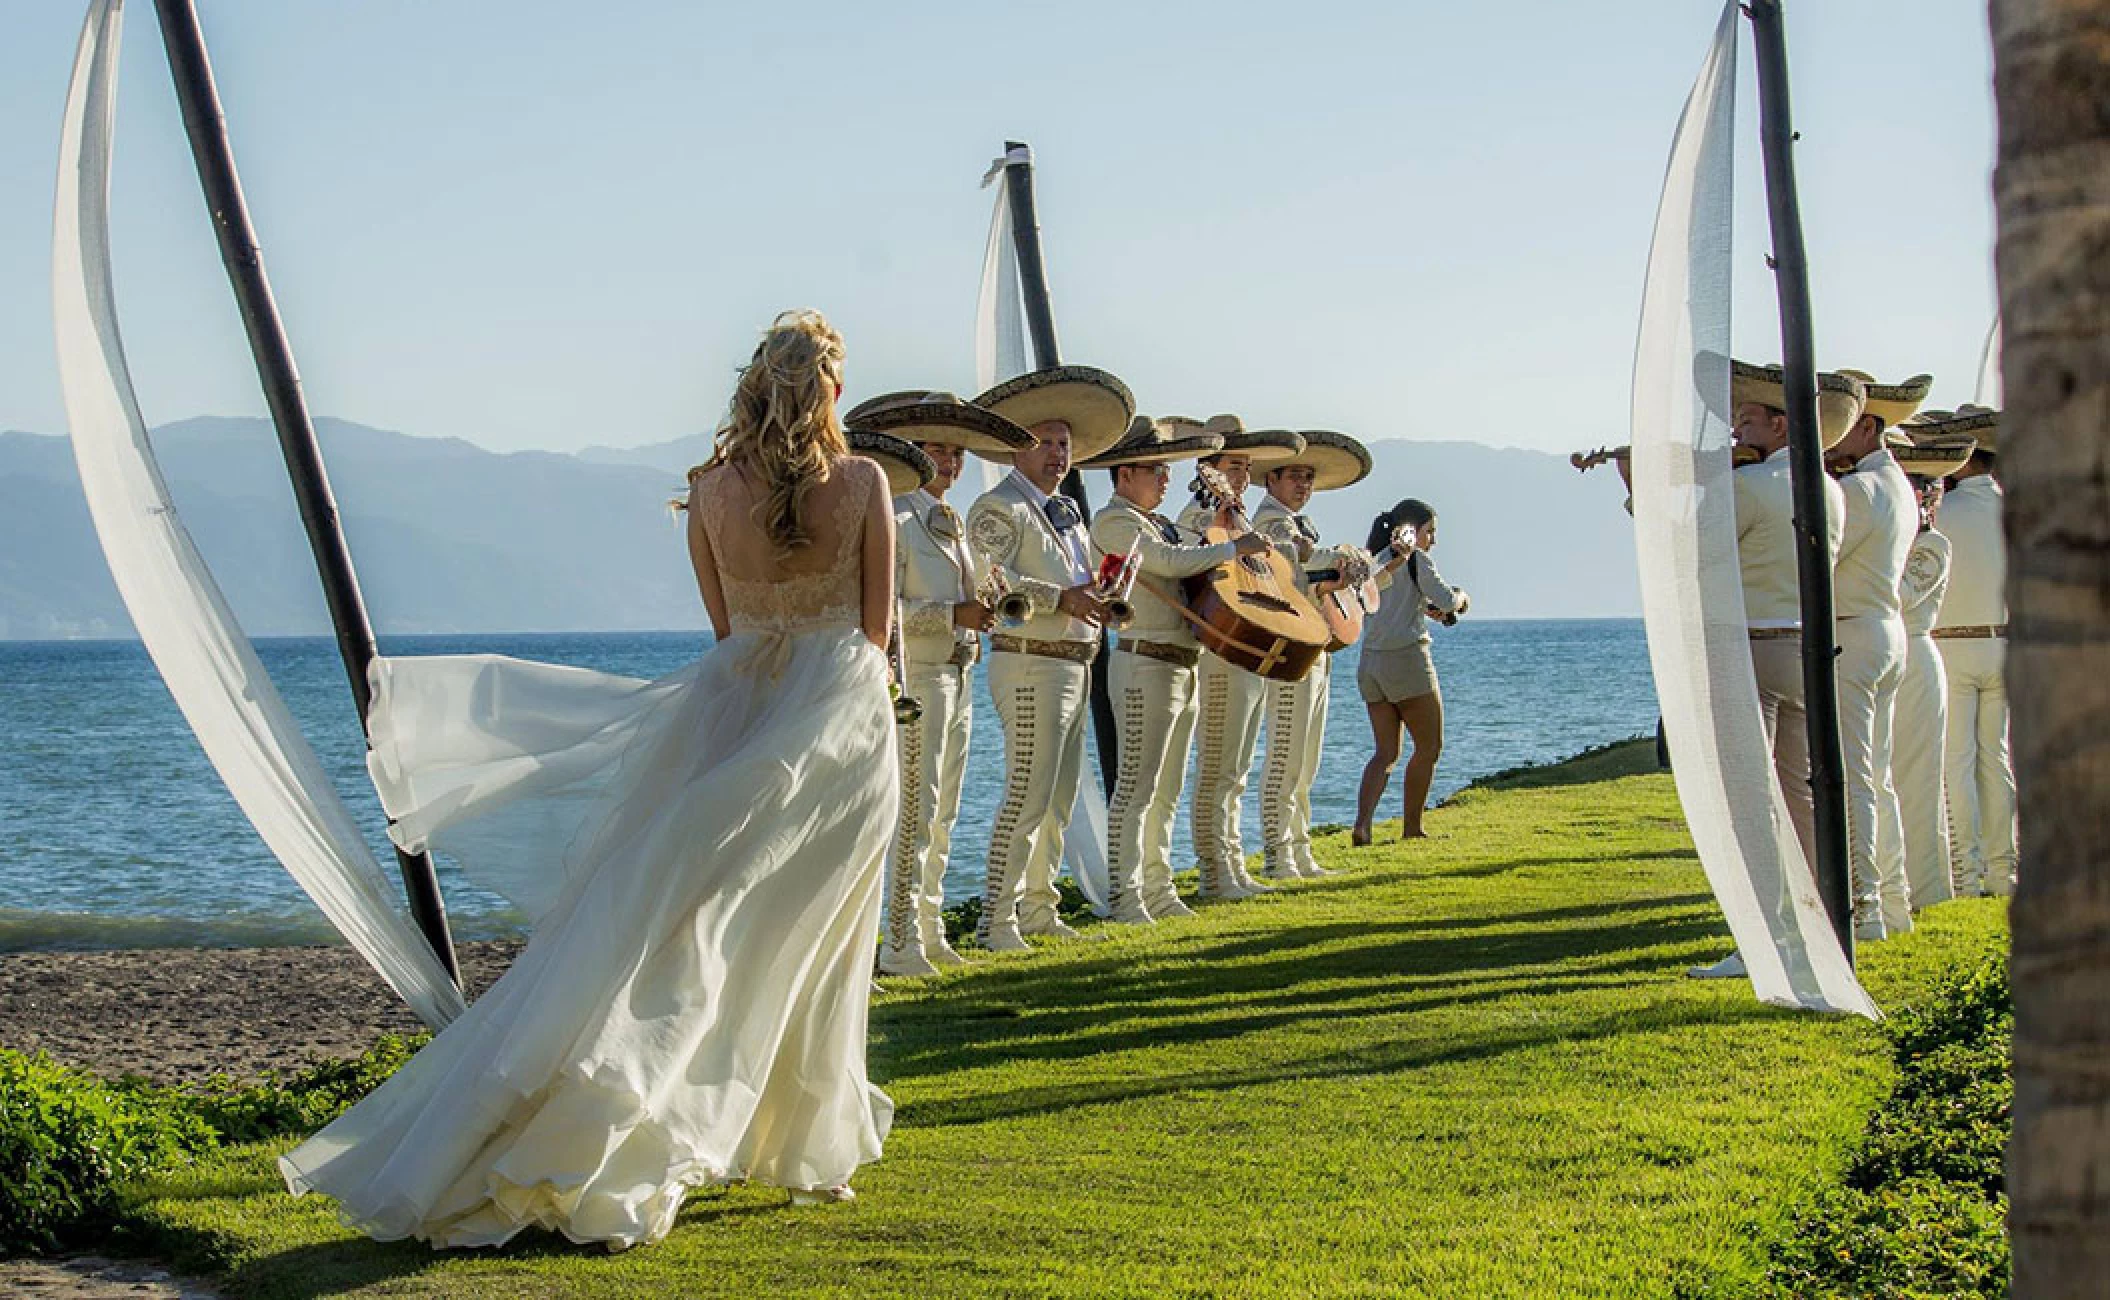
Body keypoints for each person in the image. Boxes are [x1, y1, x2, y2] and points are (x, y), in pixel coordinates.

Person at [279, 310, 898, 1247]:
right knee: (813, 937)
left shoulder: (708, 490)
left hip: (732, 713)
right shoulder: (863, 482)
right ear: (834, 389)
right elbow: (876, 631)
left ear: (754, 385)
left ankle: (677, 1109)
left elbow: (728, 632)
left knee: (682, 918)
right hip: (838, 723)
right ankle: (799, 1146)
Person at [845, 394, 1035, 977]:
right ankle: (900, 941)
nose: (949, 462)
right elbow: (883, 608)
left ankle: (929, 926)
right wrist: (954, 615)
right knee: (914, 812)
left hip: (960, 673)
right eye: (937, 450)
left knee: (945, 811)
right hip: (919, 675)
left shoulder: (953, 523)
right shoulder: (897, 518)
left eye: (955, 452)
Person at [1684, 361, 1858, 980]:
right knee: (1803, 799)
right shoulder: (1828, 488)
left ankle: (1761, 938)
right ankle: (1819, 927)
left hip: (1752, 648)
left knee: (1749, 800)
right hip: (1805, 647)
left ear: (1781, 424)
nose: (1737, 430)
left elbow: (1692, 549)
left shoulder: (1753, 487)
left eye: (1748, 418)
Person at [965, 366, 1134, 950]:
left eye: (1064, 443)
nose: (1059, 453)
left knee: (1059, 798)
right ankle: (996, 919)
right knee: (1027, 792)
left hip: (1073, 661)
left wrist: (1103, 596)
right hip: (1029, 660)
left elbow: (1075, 579)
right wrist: (1059, 597)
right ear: (1019, 447)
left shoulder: (1066, 512)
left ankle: (1039, 906)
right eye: (1046, 441)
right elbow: (988, 581)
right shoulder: (996, 506)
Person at [1083, 417, 1262, 922]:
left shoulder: (1155, 521)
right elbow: (1165, 560)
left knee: (1166, 790)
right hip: (1145, 660)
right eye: (1154, 469)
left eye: (1165, 468)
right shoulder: (1113, 521)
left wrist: (1221, 524)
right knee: (1137, 788)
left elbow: (1185, 551)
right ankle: (1125, 896)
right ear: (1123, 475)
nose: (1164, 477)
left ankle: (1158, 890)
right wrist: (1231, 547)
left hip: (1179, 662)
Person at [1178, 421, 1307, 898]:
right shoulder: (1195, 518)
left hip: (1248, 649)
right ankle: (1214, 871)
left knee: (1238, 768)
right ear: (1207, 470)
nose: (1242, 477)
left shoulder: (1242, 521)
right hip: (1217, 650)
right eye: (1234, 467)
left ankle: (1233, 863)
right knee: (1217, 765)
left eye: (1247, 469)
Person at [1828, 370, 1929, 941]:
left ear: (1867, 427)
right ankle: (1893, 901)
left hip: (1857, 632)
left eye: (1840, 428)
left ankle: (1863, 909)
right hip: (1887, 631)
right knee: (1879, 777)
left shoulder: (1861, 491)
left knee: (1855, 779)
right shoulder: (1896, 485)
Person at [1253, 430, 1376, 878]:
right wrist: (1344, 560)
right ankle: (1278, 854)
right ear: (1271, 481)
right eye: (1295, 477)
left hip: (1314, 644)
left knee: (1306, 759)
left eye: (1308, 477)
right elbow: (1292, 568)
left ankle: (1298, 848)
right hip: (1290, 648)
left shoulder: (1298, 525)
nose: (1303, 485)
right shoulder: (1269, 524)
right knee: (1286, 754)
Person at [1889, 420, 1978, 911]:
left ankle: (1927, 886)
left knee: (1920, 777)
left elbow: (1900, 598)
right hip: (1896, 655)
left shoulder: (1933, 545)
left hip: (1918, 658)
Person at [1927, 406, 2013, 896]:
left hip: (1953, 646)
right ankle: (2004, 869)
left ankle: (1968, 870)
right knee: (1995, 760)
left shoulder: (1944, 516)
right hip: (2002, 640)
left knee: (1957, 761)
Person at [1351, 499, 1465, 844]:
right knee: (1429, 747)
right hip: (1407, 661)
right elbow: (1446, 600)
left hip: (1371, 663)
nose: (1433, 540)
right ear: (1414, 531)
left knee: (1385, 752)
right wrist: (1462, 598)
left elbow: (1385, 603)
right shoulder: (1417, 560)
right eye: (1430, 532)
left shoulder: (1371, 562)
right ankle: (1412, 828)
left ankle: (1363, 825)